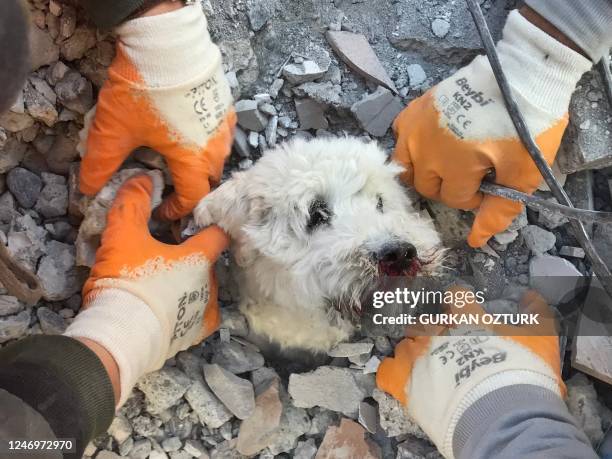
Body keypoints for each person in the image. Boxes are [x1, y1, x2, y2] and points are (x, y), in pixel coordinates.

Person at [0, 0, 609, 458]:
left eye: (379, 201)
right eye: (318, 216)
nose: (387, 239)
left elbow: (30, 445)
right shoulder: (246, 216)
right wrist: (514, 422)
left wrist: (114, 340)